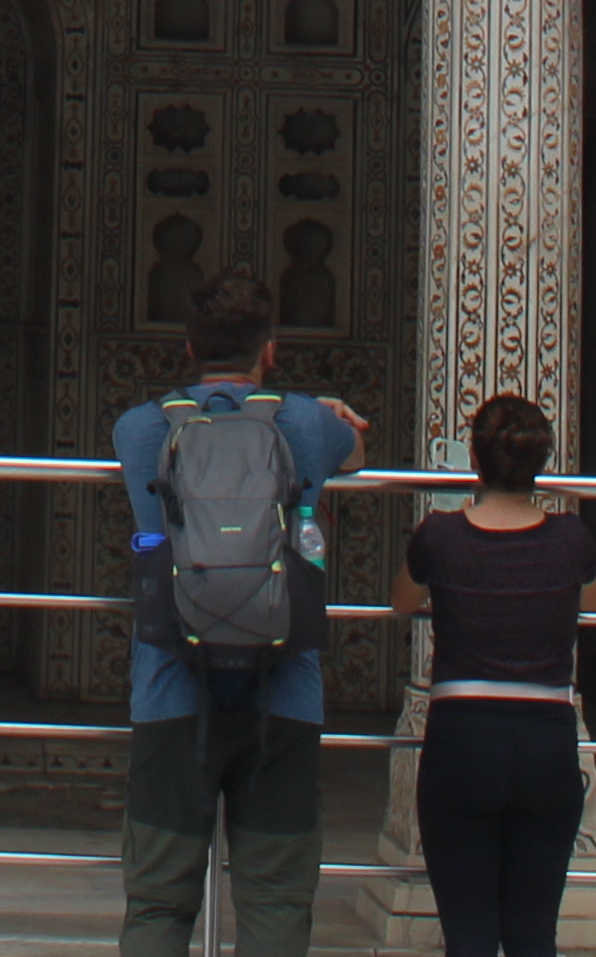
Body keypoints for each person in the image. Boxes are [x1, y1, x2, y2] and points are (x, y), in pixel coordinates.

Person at [114, 264, 362, 957]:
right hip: (284, 693)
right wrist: (333, 413)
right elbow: (355, 451)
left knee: (160, 903)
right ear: (270, 349)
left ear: (189, 348)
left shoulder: (138, 430)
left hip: (170, 687)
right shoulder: (308, 423)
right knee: (276, 902)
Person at [387, 392, 596, 957]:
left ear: (474, 461)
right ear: (542, 462)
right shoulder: (570, 538)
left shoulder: (439, 534)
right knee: (534, 934)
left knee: (469, 934)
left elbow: (401, 602)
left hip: (462, 735)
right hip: (545, 737)